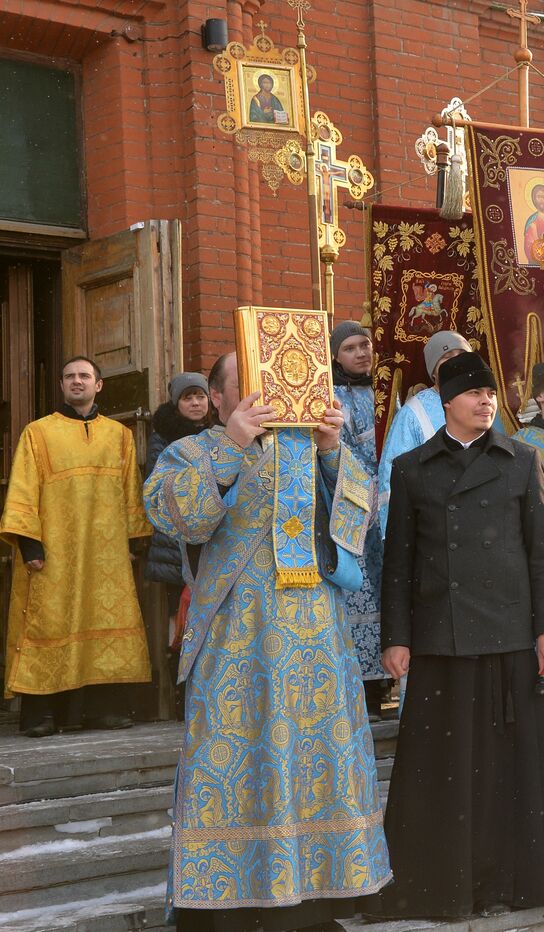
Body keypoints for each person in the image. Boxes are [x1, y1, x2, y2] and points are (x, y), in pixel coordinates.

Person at [144, 353, 390, 929]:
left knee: (316, 767)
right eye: (251, 387)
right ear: (221, 396)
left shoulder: (312, 450)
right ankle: (226, 906)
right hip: (238, 641)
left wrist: (333, 451)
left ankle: (315, 900)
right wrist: (231, 444)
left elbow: (361, 521)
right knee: (239, 765)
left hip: (319, 644)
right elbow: (177, 516)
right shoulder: (196, 449)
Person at [376, 351, 544, 919]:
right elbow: (398, 563)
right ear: (447, 403)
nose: (487, 402)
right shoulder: (413, 468)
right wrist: (396, 636)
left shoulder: (521, 460)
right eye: (474, 394)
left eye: (491, 394)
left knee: (508, 770)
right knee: (442, 769)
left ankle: (511, 880)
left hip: (510, 637)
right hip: (442, 639)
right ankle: (442, 883)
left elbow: (542, 556)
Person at [3, 356, 152, 738]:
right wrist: (30, 546)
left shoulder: (119, 435)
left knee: (103, 621)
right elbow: (23, 489)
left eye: (84, 376)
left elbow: (130, 490)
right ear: (61, 384)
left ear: (98, 385)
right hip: (54, 550)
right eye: (69, 376)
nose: (77, 382)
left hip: (106, 552)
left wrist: (135, 540)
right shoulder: (38, 432)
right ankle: (41, 715)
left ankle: (103, 711)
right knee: (49, 621)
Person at [331, 320, 391, 719]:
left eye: (366, 345)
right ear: (335, 355)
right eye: (351, 347)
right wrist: (362, 487)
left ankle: (386, 681)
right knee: (359, 592)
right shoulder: (331, 395)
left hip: (389, 500)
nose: (361, 354)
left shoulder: (387, 393)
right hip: (350, 500)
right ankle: (361, 690)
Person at [145, 372, 213, 714]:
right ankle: (180, 699)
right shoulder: (164, 437)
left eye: (200, 396)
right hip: (176, 543)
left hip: (213, 541)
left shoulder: (222, 433)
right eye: (188, 398)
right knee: (181, 622)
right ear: (176, 403)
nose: (196, 403)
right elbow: (161, 486)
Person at [377, 329, 470, 534]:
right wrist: (396, 536)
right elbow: (392, 476)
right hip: (432, 527)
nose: (455, 362)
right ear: (434, 371)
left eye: (461, 356)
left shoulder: (486, 405)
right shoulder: (413, 412)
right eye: (446, 357)